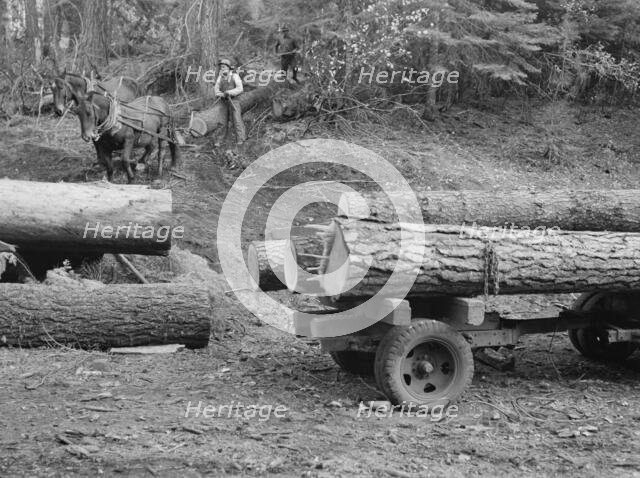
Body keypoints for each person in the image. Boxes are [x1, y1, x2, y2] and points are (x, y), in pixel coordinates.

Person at [214, 59, 246, 146]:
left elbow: (240, 89)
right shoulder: (220, 77)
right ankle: (219, 141)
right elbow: (216, 90)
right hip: (223, 101)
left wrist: (230, 92)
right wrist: (221, 94)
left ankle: (241, 139)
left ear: (228, 68)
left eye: (224, 67)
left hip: (234, 100)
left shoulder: (235, 76)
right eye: (221, 67)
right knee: (222, 121)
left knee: (236, 119)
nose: (222, 69)